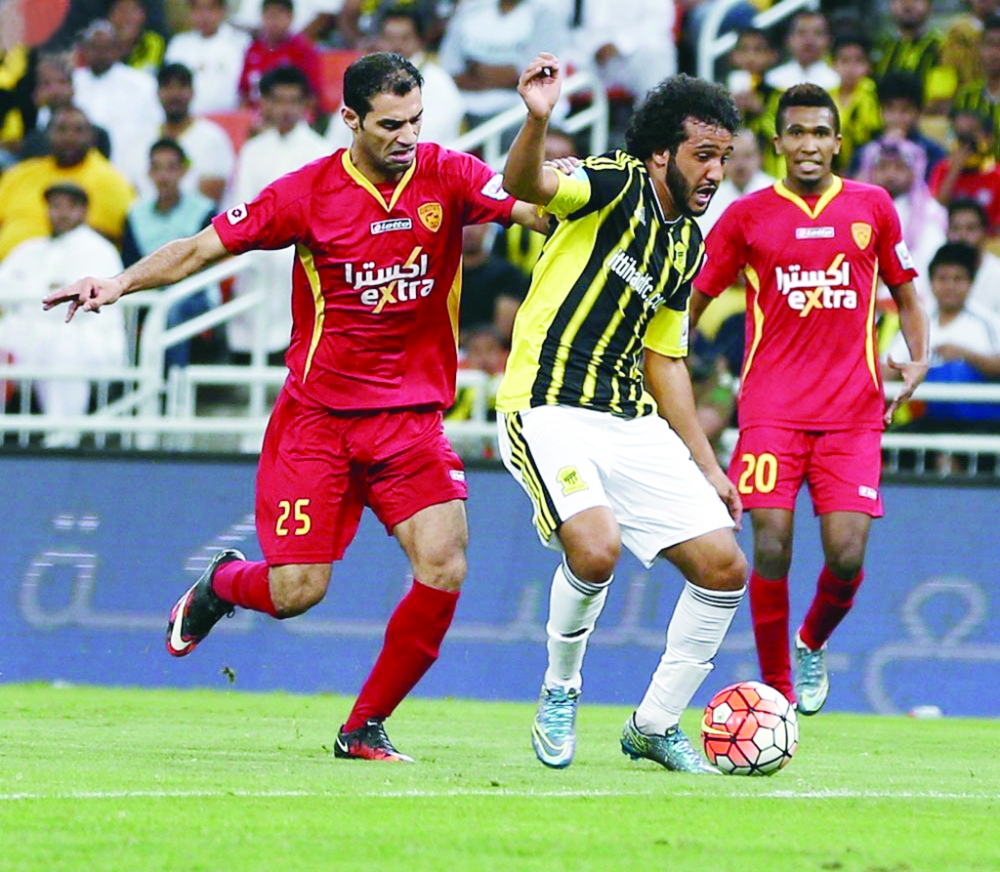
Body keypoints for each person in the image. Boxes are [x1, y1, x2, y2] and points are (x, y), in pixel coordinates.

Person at [43, 52, 546, 763]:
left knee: (445, 563)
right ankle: (222, 582)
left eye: (415, 121)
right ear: (350, 120)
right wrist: (119, 283)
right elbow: (201, 249)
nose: (407, 137)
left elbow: (535, 208)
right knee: (297, 592)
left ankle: (363, 727)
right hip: (318, 422)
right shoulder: (307, 192)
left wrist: (536, 123)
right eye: (390, 125)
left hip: (410, 421)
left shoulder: (450, 173)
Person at [496, 53, 748, 773]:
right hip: (546, 404)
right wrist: (537, 120)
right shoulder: (612, 181)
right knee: (595, 547)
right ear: (661, 152)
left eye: (724, 158)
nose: (715, 172)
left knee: (724, 566)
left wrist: (709, 467)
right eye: (703, 155)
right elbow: (527, 185)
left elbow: (664, 360)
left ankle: (655, 725)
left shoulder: (686, 245)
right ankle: (560, 688)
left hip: (628, 419)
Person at [691, 83, 930, 715]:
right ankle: (777, 687)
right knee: (770, 539)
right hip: (770, 409)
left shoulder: (872, 206)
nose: (808, 144)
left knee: (846, 555)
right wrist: (665, 355)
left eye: (820, 132)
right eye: (796, 132)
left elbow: (908, 296)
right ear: (777, 142)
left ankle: (812, 641)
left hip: (853, 413)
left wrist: (918, 357)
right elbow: (695, 298)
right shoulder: (747, 217)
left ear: (838, 142)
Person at [0, 183, 126, 446]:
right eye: (55, 206)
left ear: (84, 211)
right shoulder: (30, 249)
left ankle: (62, 440)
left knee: (63, 349)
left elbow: (87, 306)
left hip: (86, 338)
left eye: (70, 206)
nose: (61, 213)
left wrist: (34, 299)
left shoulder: (100, 250)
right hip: (26, 335)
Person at [225, 65, 329, 367]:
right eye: (278, 100)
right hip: (258, 254)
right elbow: (242, 204)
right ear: (266, 103)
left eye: (293, 101)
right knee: (250, 336)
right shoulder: (253, 150)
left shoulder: (321, 151)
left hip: (300, 255)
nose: (285, 109)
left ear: (305, 104)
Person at [121, 138, 218, 370]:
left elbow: (205, 263)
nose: (164, 176)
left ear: (183, 171)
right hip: (148, 290)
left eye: (171, 167)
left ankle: (169, 382)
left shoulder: (204, 210)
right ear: (149, 173)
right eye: (157, 168)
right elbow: (130, 263)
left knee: (171, 311)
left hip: (193, 292)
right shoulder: (135, 215)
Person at [0, 105, 134, 260]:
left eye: (78, 130)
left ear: (92, 137)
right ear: (47, 134)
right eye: (61, 129)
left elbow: (118, 239)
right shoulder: (20, 174)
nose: (69, 137)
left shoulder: (112, 181)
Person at [164, 0, 252, 116]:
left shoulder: (241, 42)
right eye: (198, 9)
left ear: (222, 11)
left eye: (210, 9)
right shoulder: (179, 44)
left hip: (230, 117)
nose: (204, 16)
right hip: (189, 118)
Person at [946, 196, 1000, 315]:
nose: (962, 236)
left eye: (970, 229)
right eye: (955, 229)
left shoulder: (997, 274)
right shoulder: (936, 271)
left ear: (985, 233)